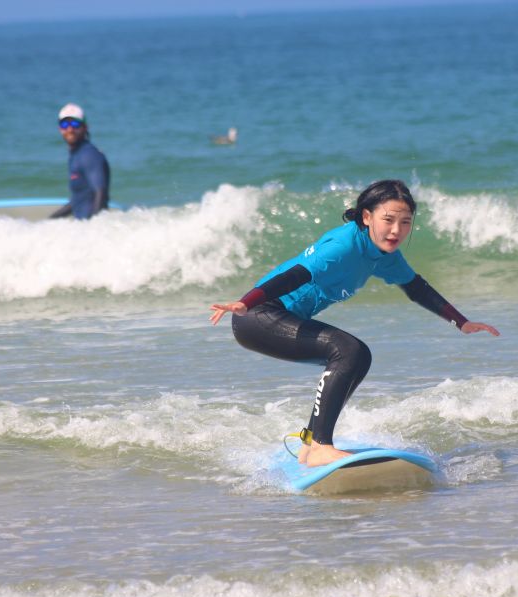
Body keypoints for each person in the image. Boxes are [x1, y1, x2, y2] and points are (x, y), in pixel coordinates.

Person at [210, 179, 500, 467]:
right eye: (388, 220)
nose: (396, 230)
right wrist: (247, 302)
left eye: (405, 222)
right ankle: (322, 446)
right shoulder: (344, 245)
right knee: (348, 350)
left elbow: (416, 287)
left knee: (357, 358)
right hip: (258, 315)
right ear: (366, 216)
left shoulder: (384, 256)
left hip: (275, 316)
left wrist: (461, 322)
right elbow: (297, 275)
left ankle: (311, 445)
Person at [49, 103, 110, 220]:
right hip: (81, 228)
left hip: (90, 230)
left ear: (85, 127)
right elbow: (79, 200)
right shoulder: (76, 155)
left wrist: (93, 229)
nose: (70, 129)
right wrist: (49, 221)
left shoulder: (89, 155)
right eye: (65, 124)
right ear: (60, 129)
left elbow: (100, 193)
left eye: (75, 124)